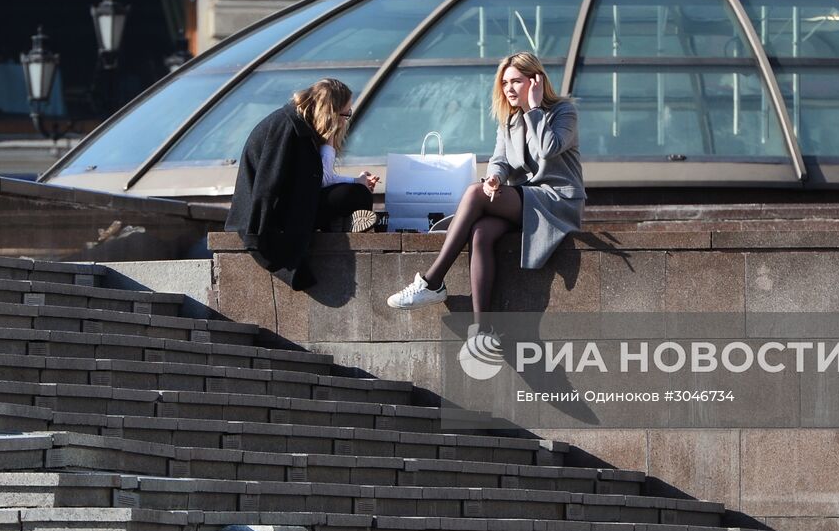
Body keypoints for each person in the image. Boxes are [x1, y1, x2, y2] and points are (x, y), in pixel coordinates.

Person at [386, 52, 585, 358]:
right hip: (526, 198)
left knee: (473, 194)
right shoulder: (509, 119)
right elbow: (500, 160)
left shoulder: (562, 111)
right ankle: (483, 329)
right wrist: (494, 178)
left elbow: (549, 149)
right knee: (481, 231)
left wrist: (533, 108)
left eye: (516, 81)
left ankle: (432, 281)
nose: (509, 88)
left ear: (536, 81)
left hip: (557, 200)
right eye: (505, 82)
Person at [225, 78, 380, 290]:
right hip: (278, 218)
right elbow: (268, 185)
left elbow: (317, 178)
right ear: (331, 112)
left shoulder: (297, 124)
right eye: (345, 114)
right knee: (356, 195)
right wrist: (258, 234)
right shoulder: (287, 127)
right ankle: (338, 222)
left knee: (357, 193)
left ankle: (339, 222)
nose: (346, 121)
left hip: (291, 206)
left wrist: (329, 143)